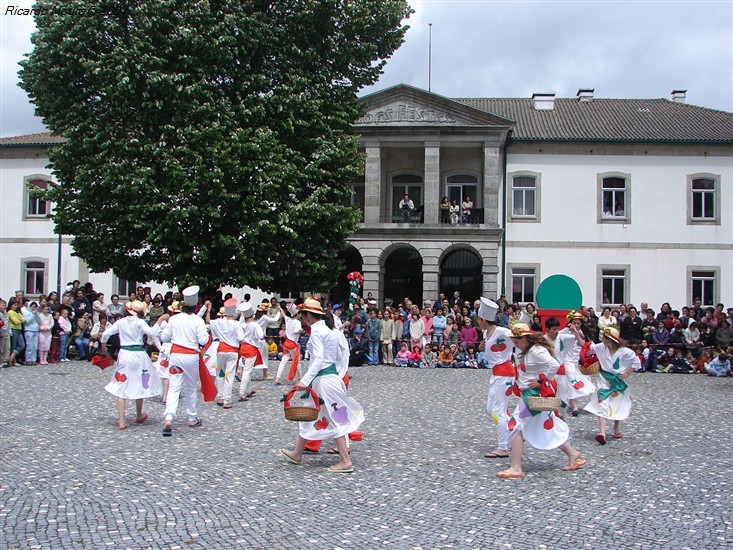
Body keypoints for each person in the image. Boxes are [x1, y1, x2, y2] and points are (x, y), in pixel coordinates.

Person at [279, 298, 364, 473]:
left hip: (323, 380)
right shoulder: (331, 332)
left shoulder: (317, 333)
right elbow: (340, 355)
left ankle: (345, 460)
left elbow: (317, 359)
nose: (303, 320)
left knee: (334, 417)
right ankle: (297, 452)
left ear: (309, 316)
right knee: (310, 411)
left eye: (303, 316)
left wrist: (305, 380)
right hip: (329, 377)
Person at [497, 322, 586, 479]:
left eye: (517, 342)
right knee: (547, 429)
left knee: (515, 425)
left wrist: (542, 380)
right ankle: (573, 453)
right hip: (529, 395)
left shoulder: (537, 351)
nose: (515, 345)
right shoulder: (526, 351)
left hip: (534, 395)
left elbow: (554, 364)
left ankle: (516, 467)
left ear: (525, 339)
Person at [101, 301, 163, 430]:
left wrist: (103, 346)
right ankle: (139, 414)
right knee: (140, 382)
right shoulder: (139, 322)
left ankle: (122, 422)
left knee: (121, 385)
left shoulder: (120, 322)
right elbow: (151, 333)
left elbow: (106, 334)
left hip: (125, 354)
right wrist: (160, 320)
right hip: (139, 354)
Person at [159, 286, 211, 436]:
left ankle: (169, 416)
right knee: (191, 387)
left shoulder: (174, 319)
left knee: (174, 387)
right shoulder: (197, 321)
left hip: (176, 355)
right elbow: (202, 340)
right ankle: (191, 417)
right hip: (191, 356)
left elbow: (164, 338)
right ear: (195, 306)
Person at [583, 327, 641, 444]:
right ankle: (602, 433)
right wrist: (579, 334)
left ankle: (616, 429)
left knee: (616, 404)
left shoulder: (625, 352)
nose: (602, 339)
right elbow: (588, 349)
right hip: (603, 379)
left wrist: (626, 374)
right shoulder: (600, 347)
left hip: (617, 381)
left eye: (604, 337)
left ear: (610, 340)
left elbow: (636, 362)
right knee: (602, 402)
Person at [476, 298, 516, 459]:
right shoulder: (486, 332)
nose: (477, 322)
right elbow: (488, 345)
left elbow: (520, 336)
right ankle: (515, 430)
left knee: (498, 410)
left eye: (479, 320)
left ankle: (503, 447)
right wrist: (482, 346)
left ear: (484, 320)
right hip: (497, 374)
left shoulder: (502, 332)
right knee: (490, 409)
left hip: (505, 373)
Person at [210, 298, 245, 409]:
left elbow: (208, 321)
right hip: (232, 351)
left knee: (220, 373)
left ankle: (220, 396)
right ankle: (226, 399)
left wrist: (207, 310)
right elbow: (241, 338)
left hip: (221, 350)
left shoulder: (218, 322)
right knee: (229, 375)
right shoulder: (236, 324)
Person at [558, 312, 596, 415]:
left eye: (578, 323)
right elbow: (557, 337)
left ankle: (571, 403)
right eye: (574, 323)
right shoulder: (565, 331)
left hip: (577, 361)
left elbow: (583, 344)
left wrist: (577, 333)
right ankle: (574, 407)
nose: (576, 325)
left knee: (575, 382)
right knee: (571, 381)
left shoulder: (582, 333)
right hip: (567, 360)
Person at [237, 301, 267, 401]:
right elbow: (260, 336)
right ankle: (242, 392)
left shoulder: (241, 324)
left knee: (246, 369)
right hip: (251, 348)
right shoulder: (254, 325)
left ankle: (249, 390)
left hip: (243, 347)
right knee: (247, 371)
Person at [274, 303, 303, 385]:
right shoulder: (297, 322)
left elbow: (283, 315)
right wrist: (301, 330)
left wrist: (280, 309)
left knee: (284, 360)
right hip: (293, 344)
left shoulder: (288, 320)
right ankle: (300, 378)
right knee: (297, 361)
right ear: (297, 314)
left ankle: (277, 377)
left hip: (287, 343)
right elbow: (296, 331)